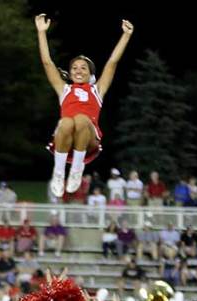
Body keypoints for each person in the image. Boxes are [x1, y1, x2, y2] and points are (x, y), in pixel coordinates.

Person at [36, 14, 134, 197]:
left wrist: (126, 35)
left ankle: (77, 170)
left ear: (90, 74)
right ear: (70, 73)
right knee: (66, 122)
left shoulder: (97, 90)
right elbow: (47, 63)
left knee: (80, 119)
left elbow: (112, 62)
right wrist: (41, 32)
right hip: (66, 137)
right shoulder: (64, 90)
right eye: (74, 68)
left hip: (88, 138)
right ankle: (58, 174)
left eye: (83, 68)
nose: (78, 70)